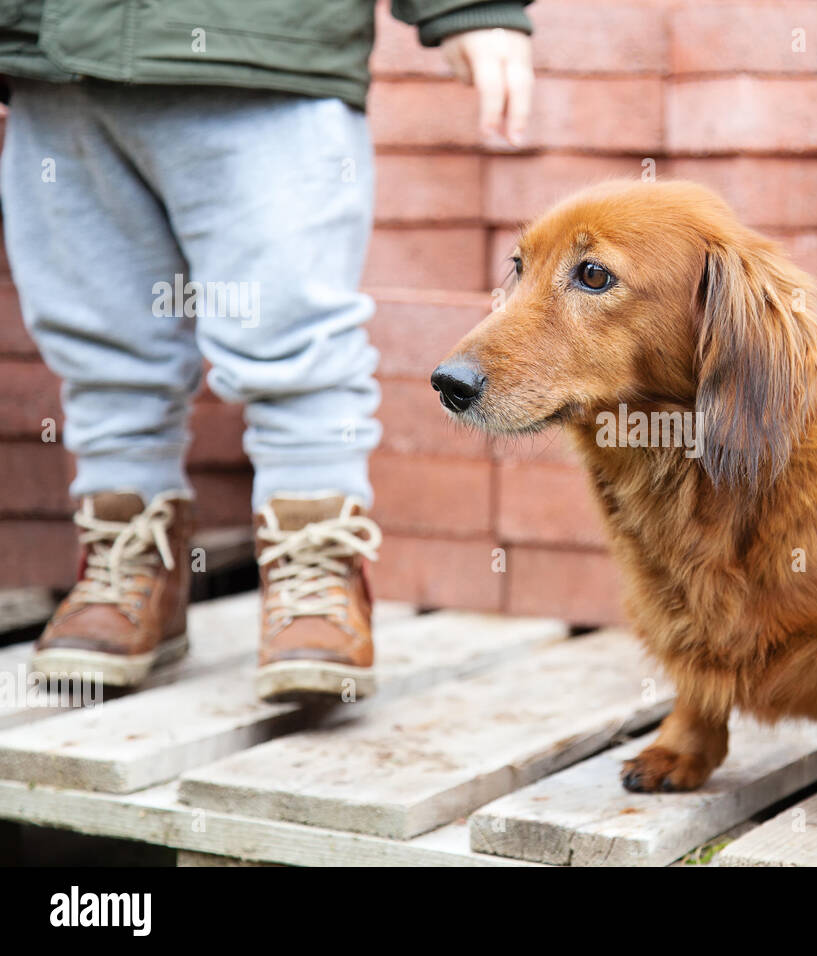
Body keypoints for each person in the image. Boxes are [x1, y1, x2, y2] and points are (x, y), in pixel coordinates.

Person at [0, 1, 536, 700]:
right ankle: (132, 562)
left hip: (265, 48)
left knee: (292, 342)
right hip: (51, 59)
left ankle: (314, 567)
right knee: (99, 342)